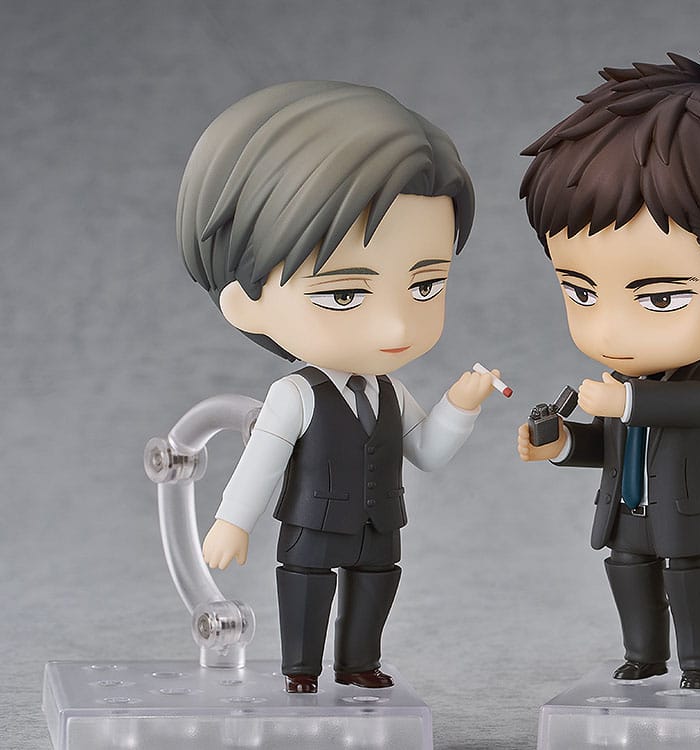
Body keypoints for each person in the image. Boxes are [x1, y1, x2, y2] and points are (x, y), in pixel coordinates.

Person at [177, 81, 498, 693]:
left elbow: (427, 452)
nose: (396, 326)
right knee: (307, 593)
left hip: (380, 525)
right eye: (345, 293)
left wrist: (461, 404)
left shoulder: (389, 391)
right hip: (313, 525)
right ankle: (301, 669)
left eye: (425, 286)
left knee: (374, 591)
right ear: (245, 301)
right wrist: (232, 522)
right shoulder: (295, 396)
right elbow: (261, 462)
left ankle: (358, 664)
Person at [517, 52, 700, 689]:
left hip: (688, 518)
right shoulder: (621, 387)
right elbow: (615, 446)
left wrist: (623, 405)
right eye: (581, 292)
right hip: (625, 516)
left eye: (659, 298)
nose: (609, 331)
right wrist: (563, 442)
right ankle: (643, 657)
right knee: (629, 578)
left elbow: (688, 412)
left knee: (691, 586)